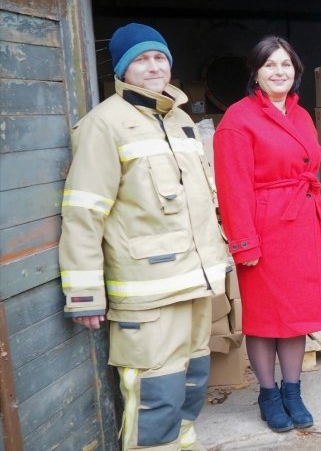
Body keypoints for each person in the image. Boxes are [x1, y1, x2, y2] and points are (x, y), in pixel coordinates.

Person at [59, 23, 230, 451]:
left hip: (195, 283)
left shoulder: (181, 120)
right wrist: (84, 293)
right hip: (148, 293)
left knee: (192, 381)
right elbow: (84, 211)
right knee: (156, 394)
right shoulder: (104, 125)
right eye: (140, 59)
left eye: (159, 57)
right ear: (121, 69)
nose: (153, 66)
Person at [213, 36, 321, 433]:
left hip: (301, 227)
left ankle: (292, 391)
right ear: (255, 72)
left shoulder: (301, 115)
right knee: (265, 318)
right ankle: (268, 393)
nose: (279, 72)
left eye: (286, 65)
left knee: (296, 316)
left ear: (295, 71)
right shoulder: (238, 118)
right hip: (264, 231)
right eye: (270, 65)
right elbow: (232, 187)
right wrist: (243, 241)